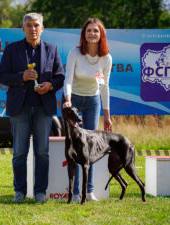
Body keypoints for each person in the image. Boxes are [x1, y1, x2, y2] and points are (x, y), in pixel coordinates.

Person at [0, 13, 64, 203]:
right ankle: (20, 191)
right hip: (20, 108)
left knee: (42, 152)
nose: (33, 29)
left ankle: (40, 192)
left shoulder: (52, 49)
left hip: (44, 108)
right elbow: (2, 76)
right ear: (23, 28)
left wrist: (50, 85)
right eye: (29, 25)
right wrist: (21, 77)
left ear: (42, 28)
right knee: (19, 152)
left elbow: (60, 76)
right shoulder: (12, 50)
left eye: (36, 25)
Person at [62, 18, 113, 202]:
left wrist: (107, 116)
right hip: (73, 100)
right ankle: (75, 193)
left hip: (93, 102)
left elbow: (105, 87)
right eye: (89, 30)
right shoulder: (75, 53)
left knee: (88, 148)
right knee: (74, 148)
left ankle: (88, 191)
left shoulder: (106, 57)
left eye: (96, 31)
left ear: (101, 35)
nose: (92, 34)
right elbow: (67, 79)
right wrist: (68, 100)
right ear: (84, 34)